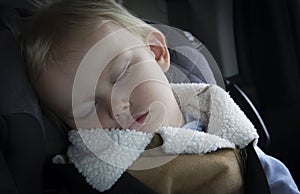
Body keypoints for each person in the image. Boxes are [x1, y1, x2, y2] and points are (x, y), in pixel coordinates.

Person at [21, 0, 299, 193]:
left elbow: (267, 174)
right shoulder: (99, 173)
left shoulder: (215, 116)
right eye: (85, 108)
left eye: (119, 76)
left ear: (157, 52)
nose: (117, 107)